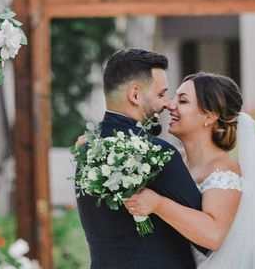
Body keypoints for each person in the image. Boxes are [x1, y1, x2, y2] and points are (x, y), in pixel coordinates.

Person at [125, 73, 255, 268]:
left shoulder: (225, 170)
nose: (170, 105)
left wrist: (157, 204)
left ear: (209, 116)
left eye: (182, 101)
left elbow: (214, 235)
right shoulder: (171, 159)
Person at [76, 48, 206, 269]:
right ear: (135, 95)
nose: (167, 104)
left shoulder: (86, 152)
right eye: (161, 94)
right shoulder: (156, 154)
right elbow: (207, 237)